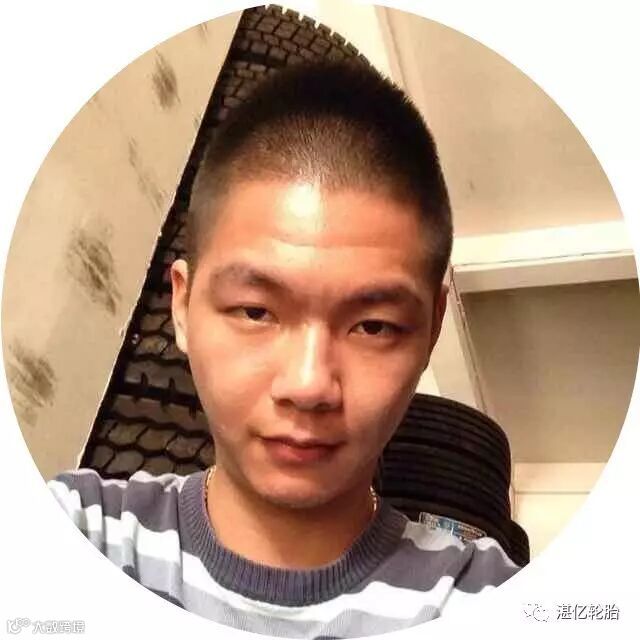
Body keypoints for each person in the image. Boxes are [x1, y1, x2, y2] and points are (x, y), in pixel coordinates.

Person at [49, 58, 521, 638]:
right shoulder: (80, 532)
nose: (308, 385)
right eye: (256, 311)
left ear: (432, 329)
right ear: (183, 306)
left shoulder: (486, 598)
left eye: (373, 326)